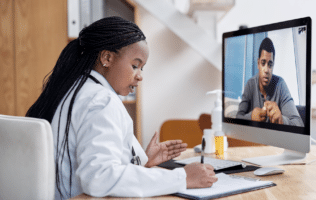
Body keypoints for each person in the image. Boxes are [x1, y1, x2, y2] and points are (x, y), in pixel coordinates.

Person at [26, 16, 217, 200]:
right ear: (107, 58)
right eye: (135, 65)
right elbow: (99, 177)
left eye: (142, 68)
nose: (140, 76)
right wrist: (182, 177)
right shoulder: (101, 100)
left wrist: (143, 159)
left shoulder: (77, 89)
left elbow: (93, 160)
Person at [236, 37, 304, 126]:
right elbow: (238, 118)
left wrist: (282, 120)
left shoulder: (281, 84)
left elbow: (299, 124)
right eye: (263, 63)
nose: (266, 70)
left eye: (270, 65)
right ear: (258, 64)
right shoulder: (250, 84)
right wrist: (251, 117)